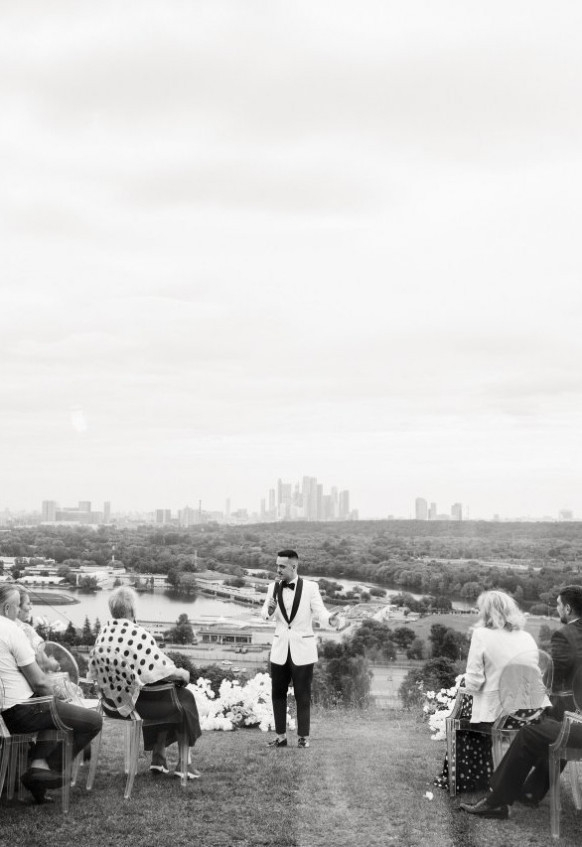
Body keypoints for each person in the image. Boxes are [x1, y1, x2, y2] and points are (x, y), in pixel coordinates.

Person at [460, 584, 582, 819]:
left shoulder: (565, 635)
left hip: (575, 720)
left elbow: (554, 679)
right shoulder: (528, 636)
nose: (557, 609)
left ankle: (496, 801)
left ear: (568, 608)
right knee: (549, 727)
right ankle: (530, 792)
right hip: (574, 711)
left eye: (558, 605)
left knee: (532, 733)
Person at [435, 589, 549, 793]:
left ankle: (467, 779)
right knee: (475, 712)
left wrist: (464, 685)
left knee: (463, 717)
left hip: (501, 715)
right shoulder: (526, 636)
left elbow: (475, 681)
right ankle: (485, 775)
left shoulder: (482, 634)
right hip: (530, 713)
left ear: (486, 612)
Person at [0, 584, 102, 804]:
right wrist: (59, 699)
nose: (19, 611)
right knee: (93, 721)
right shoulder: (11, 629)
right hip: (22, 711)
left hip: (5, 714)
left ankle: (38, 768)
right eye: (17, 606)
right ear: (8, 608)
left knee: (53, 719)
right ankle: (44, 769)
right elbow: (39, 681)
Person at [88, 586, 201, 778]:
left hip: (109, 703)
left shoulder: (104, 633)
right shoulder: (136, 634)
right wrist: (182, 673)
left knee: (159, 693)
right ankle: (184, 764)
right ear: (132, 609)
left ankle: (159, 757)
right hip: (132, 705)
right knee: (184, 697)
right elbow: (161, 670)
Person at [261, 549, 340, 748]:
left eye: (282, 566)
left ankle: (303, 738)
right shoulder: (272, 587)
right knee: (277, 693)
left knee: (302, 695)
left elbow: (320, 612)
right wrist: (269, 610)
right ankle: (280, 737)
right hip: (280, 650)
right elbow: (265, 614)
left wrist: (330, 620)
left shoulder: (311, 588)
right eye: (277, 565)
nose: (278, 569)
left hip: (303, 651)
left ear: (294, 566)